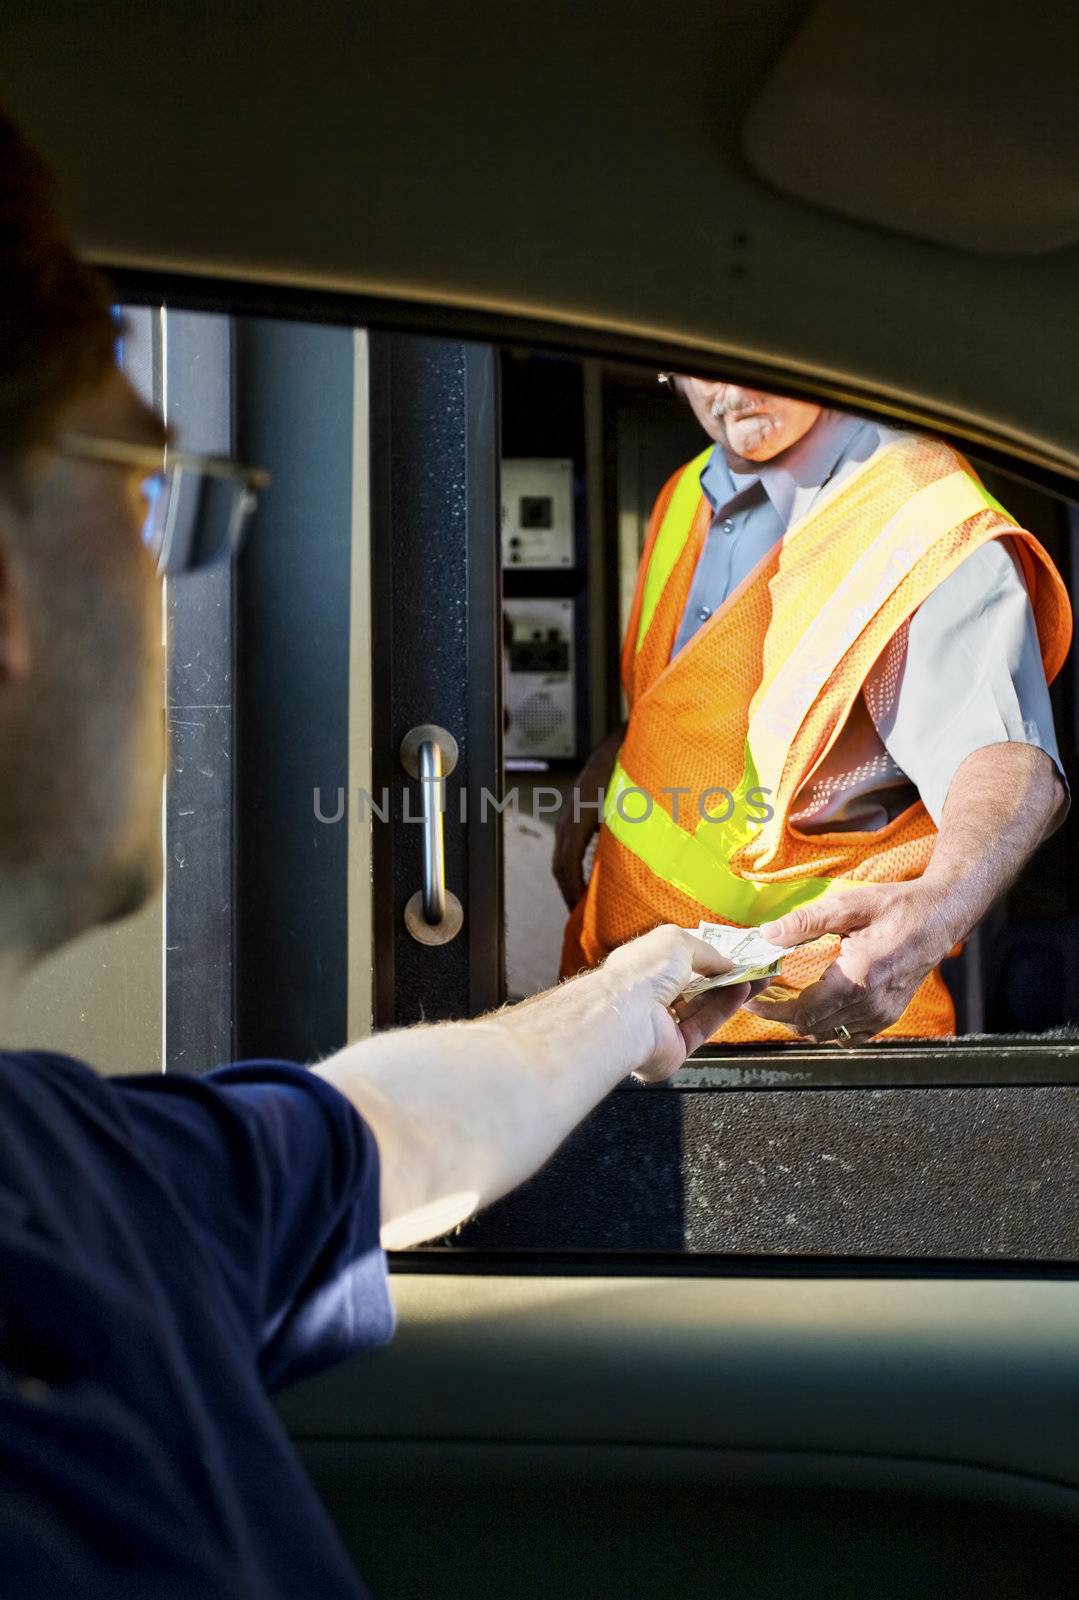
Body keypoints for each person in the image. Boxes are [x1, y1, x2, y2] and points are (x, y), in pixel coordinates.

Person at [0, 114, 759, 1598]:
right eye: (147, 497)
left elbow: (392, 1130)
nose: (171, 583)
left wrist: (622, 1001)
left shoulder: (63, 1154)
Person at [556, 377, 1072, 1046]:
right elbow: (702, 695)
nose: (726, 383)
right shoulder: (688, 489)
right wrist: (611, 768)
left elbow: (1004, 758)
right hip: (632, 1005)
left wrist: (934, 912)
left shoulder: (913, 511)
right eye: (695, 359)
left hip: (810, 1031)